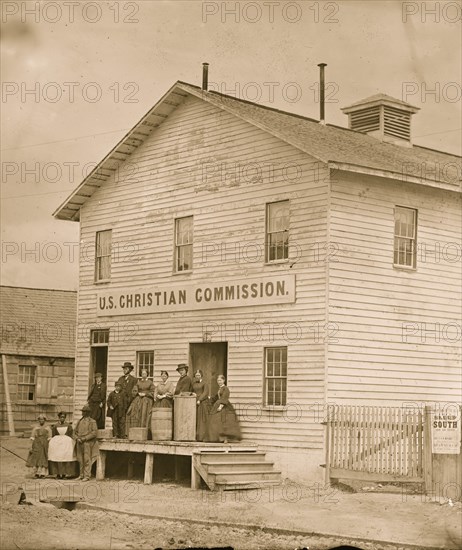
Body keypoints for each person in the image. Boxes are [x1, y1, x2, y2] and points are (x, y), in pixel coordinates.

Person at [206, 375, 241, 443]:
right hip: (218, 404)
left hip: (224, 406)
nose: (219, 382)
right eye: (218, 381)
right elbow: (217, 397)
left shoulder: (225, 388)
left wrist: (221, 406)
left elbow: (225, 397)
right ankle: (218, 438)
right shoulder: (220, 389)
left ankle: (225, 438)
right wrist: (210, 398)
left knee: (224, 422)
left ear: (224, 380)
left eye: (220, 380)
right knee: (216, 421)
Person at [48, 412, 77, 479]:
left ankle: (64, 474)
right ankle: (58, 473)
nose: (62, 418)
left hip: (66, 443)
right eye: (61, 417)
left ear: (65, 418)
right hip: (57, 443)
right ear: (59, 417)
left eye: (63, 417)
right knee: (57, 457)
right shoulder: (55, 426)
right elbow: (54, 434)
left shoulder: (68, 425)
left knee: (65, 457)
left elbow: (70, 434)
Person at [74, 404, 98, 481]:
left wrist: (84, 438)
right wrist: (77, 438)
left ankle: (87, 476)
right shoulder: (79, 421)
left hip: (87, 443)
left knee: (87, 459)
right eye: (82, 411)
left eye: (84, 412)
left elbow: (94, 433)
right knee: (80, 459)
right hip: (79, 442)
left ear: (88, 413)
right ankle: (81, 475)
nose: (82, 413)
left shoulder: (92, 422)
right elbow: (74, 432)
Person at [192, 369, 210, 441]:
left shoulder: (205, 383)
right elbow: (192, 391)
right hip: (195, 402)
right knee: (196, 418)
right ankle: (196, 436)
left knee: (202, 419)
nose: (197, 376)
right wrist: (193, 394)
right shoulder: (194, 383)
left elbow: (206, 393)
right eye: (196, 375)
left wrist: (200, 399)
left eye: (199, 375)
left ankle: (203, 437)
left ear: (201, 375)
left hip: (202, 402)